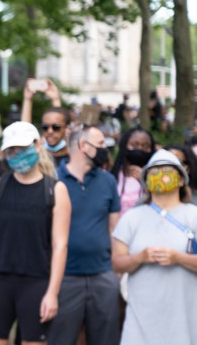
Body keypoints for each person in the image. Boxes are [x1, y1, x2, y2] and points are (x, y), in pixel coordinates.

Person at [0, 121, 71, 345]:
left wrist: (52, 293)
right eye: (11, 151)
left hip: (36, 283)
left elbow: (60, 246)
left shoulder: (55, 190)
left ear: (36, 145)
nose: (17, 155)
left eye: (22, 148)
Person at [112, 149, 197, 344]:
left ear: (182, 179)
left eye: (168, 170)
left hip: (184, 325)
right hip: (139, 325)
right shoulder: (132, 218)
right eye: (155, 171)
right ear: (146, 181)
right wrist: (138, 258)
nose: (161, 175)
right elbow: (117, 262)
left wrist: (179, 258)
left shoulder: (193, 215)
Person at [47, 126, 121, 345]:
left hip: (103, 275)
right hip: (65, 277)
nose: (104, 149)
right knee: (61, 339)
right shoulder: (52, 180)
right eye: (100, 144)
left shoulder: (108, 181)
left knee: (106, 339)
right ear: (83, 146)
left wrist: (115, 272)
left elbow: (113, 229)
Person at [20, 79, 70, 165]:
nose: (50, 131)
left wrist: (55, 99)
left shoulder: (73, 157)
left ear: (67, 129)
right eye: (45, 127)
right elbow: (25, 130)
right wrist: (27, 99)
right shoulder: (38, 157)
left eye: (56, 127)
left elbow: (59, 117)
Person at [111, 128, 156, 216]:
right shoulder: (113, 175)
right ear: (124, 145)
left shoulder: (154, 175)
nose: (139, 148)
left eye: (146, 146)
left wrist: (145, 181)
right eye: (134, 145)